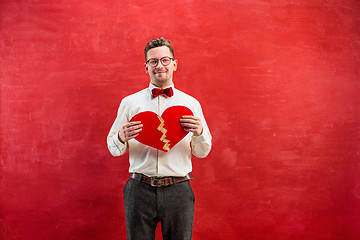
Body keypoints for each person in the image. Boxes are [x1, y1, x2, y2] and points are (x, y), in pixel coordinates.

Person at [107, 37, 212, 240]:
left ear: (174, 64)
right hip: (138, 189)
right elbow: (114, 148)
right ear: (146, 67)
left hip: (179, 190)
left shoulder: (191, 103)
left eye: (165, 60)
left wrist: (199, 133)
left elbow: (202, 151)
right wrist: (120, 137)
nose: (159, 65)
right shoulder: (129, 103)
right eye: (153, 61)